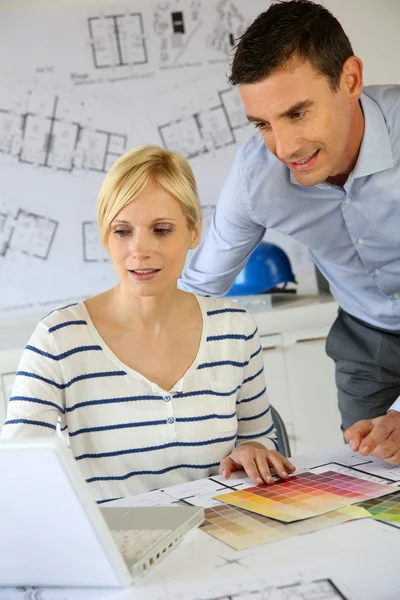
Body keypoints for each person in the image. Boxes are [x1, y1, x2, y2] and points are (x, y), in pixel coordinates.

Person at [0, 145, 294, 503]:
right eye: (122, 231)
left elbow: (258, 435)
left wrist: (252, 450)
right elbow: (17, 473)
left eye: (161, 229)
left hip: (222, 531)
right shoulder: (58, 339)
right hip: (120, 545)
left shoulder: (235, 327)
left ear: (193, 231)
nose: (140, 250)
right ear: (105, 235)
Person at [179, 0, 400, 465]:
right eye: (263, 124)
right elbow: (197, 291)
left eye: (298, 113)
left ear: (351, 80)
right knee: (371, 489)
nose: (284, 147)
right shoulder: (258, 175)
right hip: (365, 340)